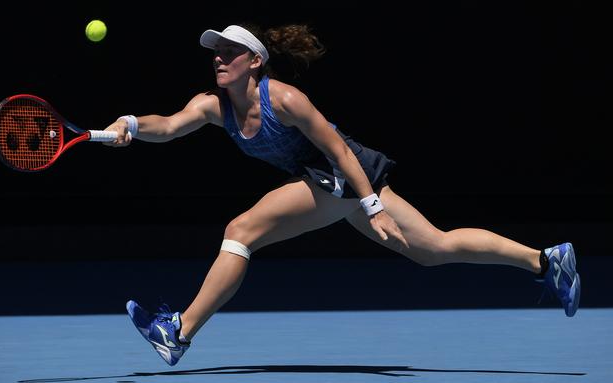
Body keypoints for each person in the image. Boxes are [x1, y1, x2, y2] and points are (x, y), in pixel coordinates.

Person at [104, 24, 581, 366]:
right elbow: (165, 127)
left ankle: (180, 332)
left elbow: (339, 150)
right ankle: (544, 261)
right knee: (435, 248)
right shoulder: (213, 106)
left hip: (341, 174)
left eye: (229, 51)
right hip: (335, 184)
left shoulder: (284, 99)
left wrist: (370, 204)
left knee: (241, 230)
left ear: (255, 62)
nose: (218, 58)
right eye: (215, 51)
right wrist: (127, 125)